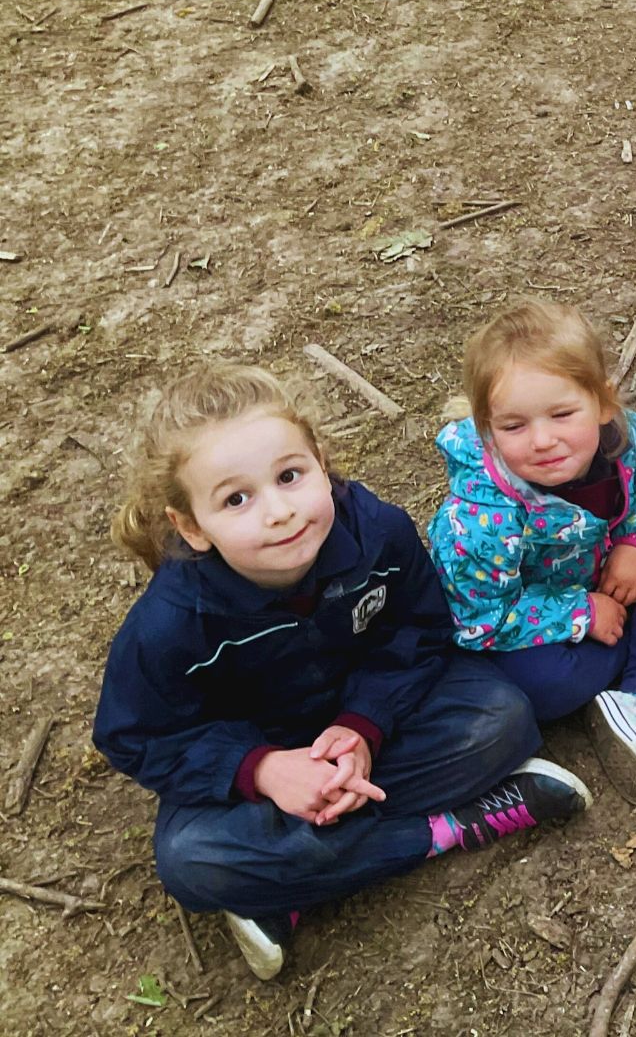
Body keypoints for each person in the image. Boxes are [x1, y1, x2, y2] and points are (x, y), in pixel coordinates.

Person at [94, 364, 590, 982]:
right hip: (265, 769)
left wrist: (364, 725)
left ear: (321, 465)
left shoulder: (377, 533)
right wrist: (263, 770)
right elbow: (135, 735)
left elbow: (419, 633)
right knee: (191, 862)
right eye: (236, 499)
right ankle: (445, 830)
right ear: (192, 526)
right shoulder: (170, 626)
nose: (278, 511)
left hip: (374, 737)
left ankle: (290, 883)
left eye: (290, 476)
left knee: (502, 717)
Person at [429, 303, 636, 805]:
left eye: (562, 414)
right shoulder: (481, 520)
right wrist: (579, 614)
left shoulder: (625, 436)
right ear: (486, 428)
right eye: (514, 426)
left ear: (602, 404)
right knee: (545, 687)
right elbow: (480, 621)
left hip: (605, 569)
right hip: (534, 620)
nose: (543, 440)